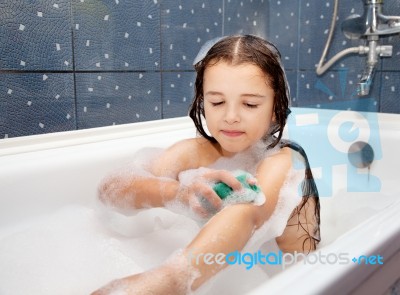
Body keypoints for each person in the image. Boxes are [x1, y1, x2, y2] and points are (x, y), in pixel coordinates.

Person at [91, 35, 320, 295]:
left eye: (250, 104)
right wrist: (175, 193)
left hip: (295, 280)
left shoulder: (285, 161)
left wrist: (173, 279)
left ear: (275, 109)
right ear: (202, 102)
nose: (231, 117)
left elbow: (250, 213)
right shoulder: (195, 151)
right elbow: (110, 189)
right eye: (217, 102)